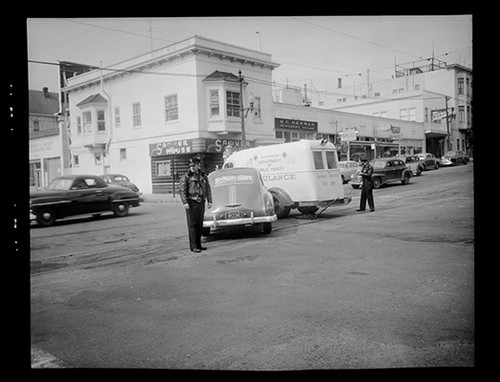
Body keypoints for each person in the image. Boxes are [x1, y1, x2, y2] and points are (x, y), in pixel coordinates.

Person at [179, 157, 212, 252]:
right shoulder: (186, 176)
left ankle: (199, 244)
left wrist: (210, 200)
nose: (192, 167)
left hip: (201, 202)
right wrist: (185, 202)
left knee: (199, 225)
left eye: (193, 165)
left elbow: (208, 189)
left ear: (198, 165)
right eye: (190, 166)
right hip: (191, 202)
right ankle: (193, 246)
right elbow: (182, 191)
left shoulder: (203, 175)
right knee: (192, 225)